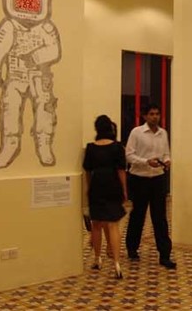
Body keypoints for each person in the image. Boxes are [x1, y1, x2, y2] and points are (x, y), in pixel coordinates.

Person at [0, 0, 61, 169]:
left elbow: (54, 50)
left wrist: (35, 57)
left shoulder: (46, 28)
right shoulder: (9, 26)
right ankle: (10, 145)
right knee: (10, 110)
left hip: (40, 77)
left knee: (45, 110)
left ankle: (44, 144)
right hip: (15, 76)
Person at [125, 104, 176, 269]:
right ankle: (132, 248)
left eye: (157, 114)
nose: (155, 117)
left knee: (160, 217)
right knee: (138, 215)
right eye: (152, 114)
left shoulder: (163, 133)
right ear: (145, 116)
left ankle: (165, 255)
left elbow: (166, 153)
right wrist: (146, 162)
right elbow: (129, 155)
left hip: (158, 179)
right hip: (139, 179)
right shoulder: (137, 132)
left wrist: (167, 161)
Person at [83, 115, 127, 279]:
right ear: (110, 128)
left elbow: (88, 171)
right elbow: (121, 170)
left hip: (97, 186)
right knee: (113, 225)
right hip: (113, 184)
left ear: (97, 129)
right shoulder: (117, 147)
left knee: (96, 224)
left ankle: (97, 258)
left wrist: (89, 188)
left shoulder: (91, 148)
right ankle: (116, 263)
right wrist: (124, 189)